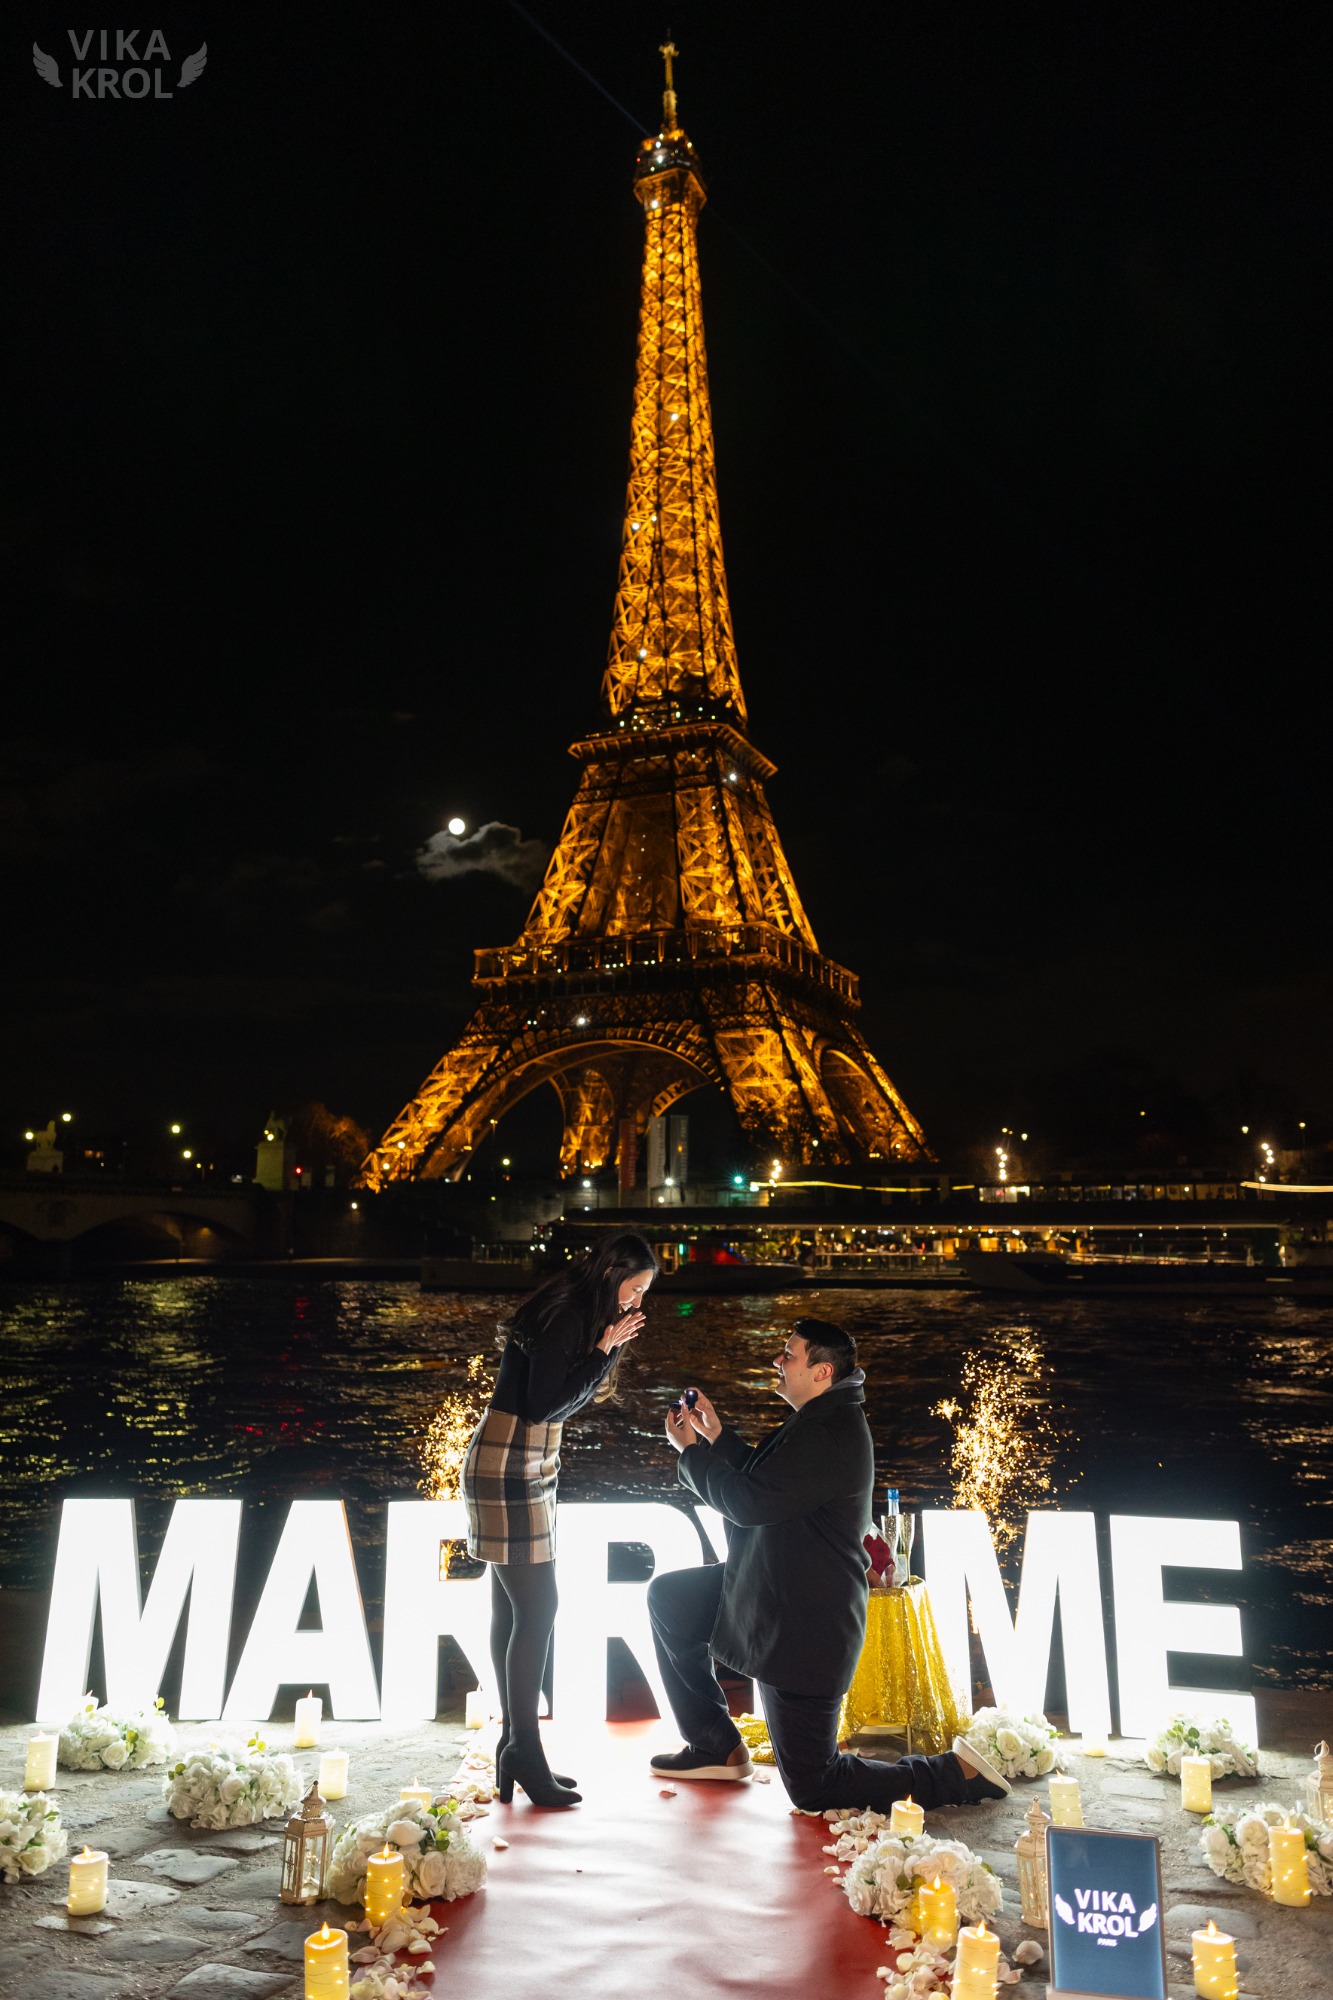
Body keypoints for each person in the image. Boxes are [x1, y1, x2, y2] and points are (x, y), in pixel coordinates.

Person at [647, 1318, 1010, 1812]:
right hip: (768, 1591)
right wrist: (718, 1438)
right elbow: (772, 1482)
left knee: (815, 1785)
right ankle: (716, 1743)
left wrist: (690, 1454)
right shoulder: (820, 1419)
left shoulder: (829, 1433)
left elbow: (750, 1503)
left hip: (804, 1627)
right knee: (670, 1599)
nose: (778, 1361)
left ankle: (952, 1774)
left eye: (789, 1354)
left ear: (820, 1372)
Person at [461, 1231, 658, 1807]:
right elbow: (546, 1403)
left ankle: (512, 1745)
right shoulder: (568, 1316)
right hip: (509, 1461)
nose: (638, 1301)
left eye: (646, 1292)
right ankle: (526, 1750)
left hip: (530, 1459)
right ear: (609, 1274)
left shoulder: (584, 1317)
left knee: (513, 1607)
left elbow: (571, 1403)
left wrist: (610, 1346)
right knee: (538, 1605)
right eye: (635, 1288)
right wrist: (603, 1348)